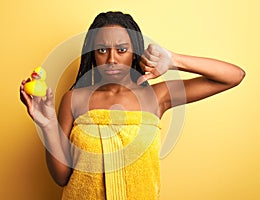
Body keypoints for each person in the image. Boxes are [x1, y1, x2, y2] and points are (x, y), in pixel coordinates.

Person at [20, 11, 245, 199]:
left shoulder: (157, 96)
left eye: (121, 49)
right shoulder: (74, 99)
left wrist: (174, 59)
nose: (111, 60)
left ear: (134, 52)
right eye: (102, 50)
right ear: (93, 54)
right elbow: (62, 177)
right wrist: (48, 124)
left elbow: (233, 76)